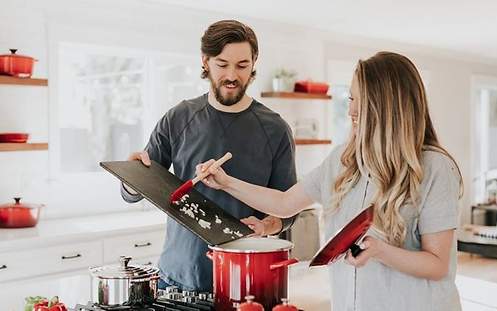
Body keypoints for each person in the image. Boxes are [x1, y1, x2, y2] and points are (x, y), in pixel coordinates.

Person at [198, 51, 464, 311]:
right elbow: (284, 202)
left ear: (389, 106)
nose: (351, 110)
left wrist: (380, 251)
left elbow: (438, 265)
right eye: (350, 98)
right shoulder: (343, 160)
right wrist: (226, 182)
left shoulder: (434, 167)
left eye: (361, 100)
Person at [120, 19, 297, 292]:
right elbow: (138, 188)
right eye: (222, 64)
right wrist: (130, 178)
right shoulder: (178, 118)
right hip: (177, 278)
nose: (232, 75)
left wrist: (266, 226)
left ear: (254, 63)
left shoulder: (275, 129)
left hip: (246, 280)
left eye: (242, 65)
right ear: (205, 61)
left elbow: (289, 209)